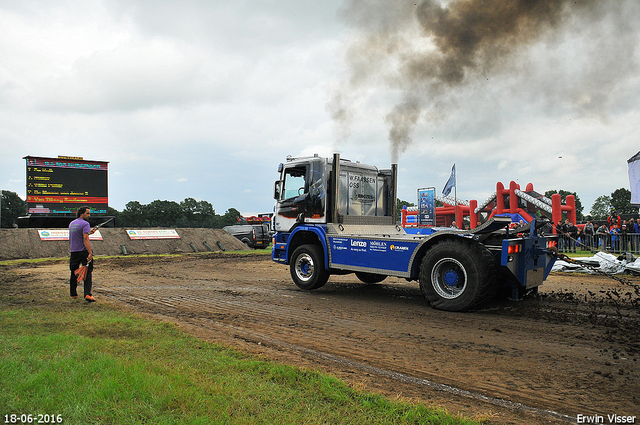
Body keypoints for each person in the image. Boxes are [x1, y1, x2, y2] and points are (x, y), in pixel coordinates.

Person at [69, 206, 96, 302]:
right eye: (87, 213)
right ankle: (87, 294)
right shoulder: (85, 224)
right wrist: (90, 253)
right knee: (88, 272)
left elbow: (79, 235)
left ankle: (73, 294)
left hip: (74, 251)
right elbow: (85, 239)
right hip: (83, 251)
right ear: (82, 214)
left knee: (73, 272)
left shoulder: (72, 223)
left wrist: (89, 232)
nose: (89, 215)